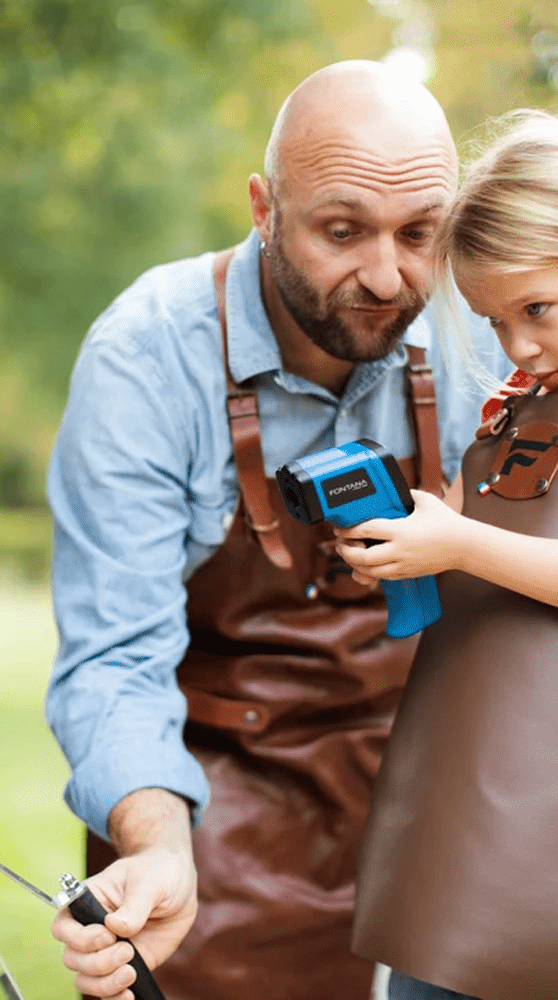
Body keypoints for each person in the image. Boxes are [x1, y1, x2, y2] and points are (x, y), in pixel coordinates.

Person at [44, 59, 512, 1000]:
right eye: (343, 231)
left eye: (421, 233)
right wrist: (158, 844)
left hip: (441, 780)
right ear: (264, 207)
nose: (387, 277)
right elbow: (116, 658)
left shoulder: (490, 327)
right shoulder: (145, 356)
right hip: (216, 794)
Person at [338, 110, 558, 1000]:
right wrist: (421, 541)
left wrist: (462, 539)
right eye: (494, 322)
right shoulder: (520, 404)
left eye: (539, 308)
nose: (519, 346)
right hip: (474, 784)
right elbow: (489, 535)